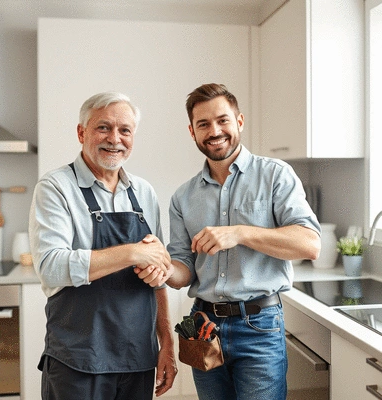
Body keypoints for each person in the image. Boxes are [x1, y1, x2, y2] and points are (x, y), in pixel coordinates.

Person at [142, 83, 321, 400]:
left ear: (239, 121)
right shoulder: (184, 197)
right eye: (203, 124)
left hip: (260, 326)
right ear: (192, 132)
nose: (214, 131)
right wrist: (162, 268)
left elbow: (309, 244)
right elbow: (185, 271)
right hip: (202, 327)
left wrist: (239, 232)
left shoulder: (275, 175)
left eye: (222, 120)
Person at [29, 91, 177, 400]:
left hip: (138, 359)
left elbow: (159, 280)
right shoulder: (56, 187)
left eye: (125, 130)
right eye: (103, 128)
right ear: (81, 132)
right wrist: (132, 251)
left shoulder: (144, 192)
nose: (115, 138)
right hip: (78, 360)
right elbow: (51, 267)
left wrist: (167, 345)